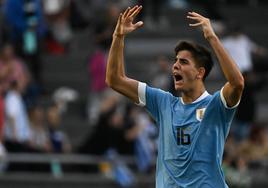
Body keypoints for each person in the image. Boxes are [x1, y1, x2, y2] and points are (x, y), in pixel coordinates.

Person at [106, 5, 244, 188]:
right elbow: (114, 80)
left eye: (184, 62)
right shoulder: (163, 103)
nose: (175, 66)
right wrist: (118, 37)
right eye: (176, 61)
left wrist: (212, 37)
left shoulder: (216, 105)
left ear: (199, 73)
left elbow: (237, 83)